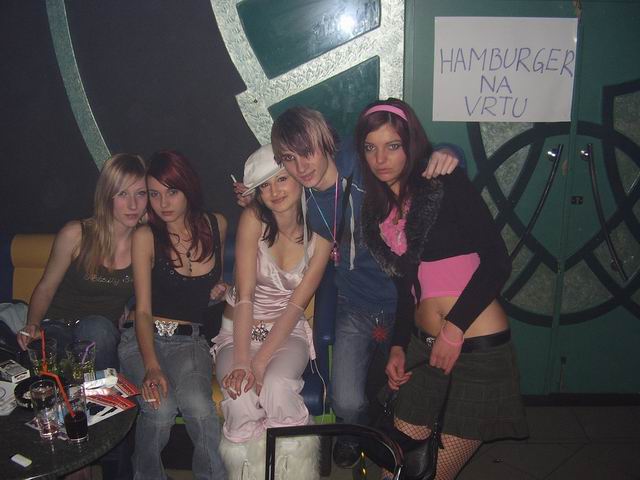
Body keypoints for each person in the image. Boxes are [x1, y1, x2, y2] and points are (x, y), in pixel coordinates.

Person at [266, 106, 460, 467]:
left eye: (308, 151)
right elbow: (267, 195)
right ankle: (353, 431)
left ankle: (387, 435)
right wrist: (248, 195)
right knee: (346, 400)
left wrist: (450, 151)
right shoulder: (301, 193)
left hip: (407, 303)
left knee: (407, 391)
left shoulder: (362, 162)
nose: (301, 166)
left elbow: (415, 155)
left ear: (326, 141)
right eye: (289, 158)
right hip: (353, 301)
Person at [356, 99, 529, 479]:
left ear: (411, 144)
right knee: (395, 469)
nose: (380, 158)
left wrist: (454, 329)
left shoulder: (443, 183)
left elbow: (497, 261)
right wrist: (398, 346)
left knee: (431, 475)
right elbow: (406, 291)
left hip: (476, 347)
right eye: (370, 147)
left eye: (392, 146)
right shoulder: (377, 211)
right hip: (423, 347)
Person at [214, 144, 331, 479]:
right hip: (237, 331)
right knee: (239, 393)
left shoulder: (322, 232)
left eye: (281, 179)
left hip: (287, 331)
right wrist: (242, 362)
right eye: (264, 185)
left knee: (278, 386)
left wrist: (261, 362)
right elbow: (245, 295)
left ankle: (293, 473)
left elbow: (296, 305)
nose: (275, 191)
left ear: (298, 177)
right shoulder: (253, 219)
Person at [117, 150, 227, 480]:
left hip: (189, 341)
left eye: (172, 191)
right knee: (160, 409)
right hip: (143, 339)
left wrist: (218, 293)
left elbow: (203, 293)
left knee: (199, 406)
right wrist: (152, 366)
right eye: (154, 194)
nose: (163, 203)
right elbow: (143, 310)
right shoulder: (146, 236)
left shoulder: (217, 225)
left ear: (188, 188)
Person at [16, 153, 147, 371]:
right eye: (123, 193)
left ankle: (102, 391)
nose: (133, 204)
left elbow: (154, 296)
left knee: (97, 329)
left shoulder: (145, 243)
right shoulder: (76, 234)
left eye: (140, 193)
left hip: (101, 338)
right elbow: (47, 287)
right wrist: (33, 324)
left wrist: (130, 312)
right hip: (58, 328)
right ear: (107, 195)